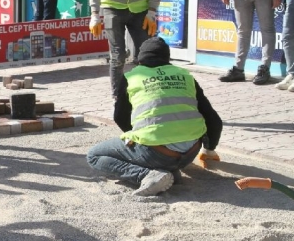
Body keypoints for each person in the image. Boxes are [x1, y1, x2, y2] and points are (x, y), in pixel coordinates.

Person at [87, 37, 223, 196]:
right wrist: (209, 150)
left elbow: (119, 116)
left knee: (94, 156)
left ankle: (145, 175)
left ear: (140, 58)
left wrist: (138, 136)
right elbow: (214, 120)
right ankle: (168, 170)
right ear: (168, 58)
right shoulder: (185, 75)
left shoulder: (132, 77)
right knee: (166, 148)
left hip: (156, 153)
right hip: (189, 153)